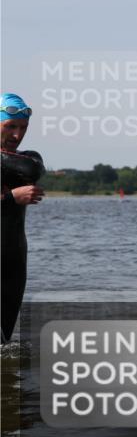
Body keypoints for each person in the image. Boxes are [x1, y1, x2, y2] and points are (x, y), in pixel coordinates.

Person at [1, 94, 45, 343]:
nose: (17, 135)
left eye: (23, 128)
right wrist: (10, 198)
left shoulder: (28, 159)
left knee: (3, 343)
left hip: (13, 263)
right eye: (10, 126)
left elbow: (32, 169)